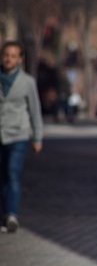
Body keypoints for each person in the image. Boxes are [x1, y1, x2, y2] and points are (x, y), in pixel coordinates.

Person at [0, 41, 43, 233]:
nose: (8, 59)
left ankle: (12, 215)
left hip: (19, 134)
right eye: (6, 55)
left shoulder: (27, 82)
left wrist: (38, 137)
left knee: (12, 173)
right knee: (2, 177)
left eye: (13, 55)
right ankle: (4, 213)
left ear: (20, 59)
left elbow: (35, 110)